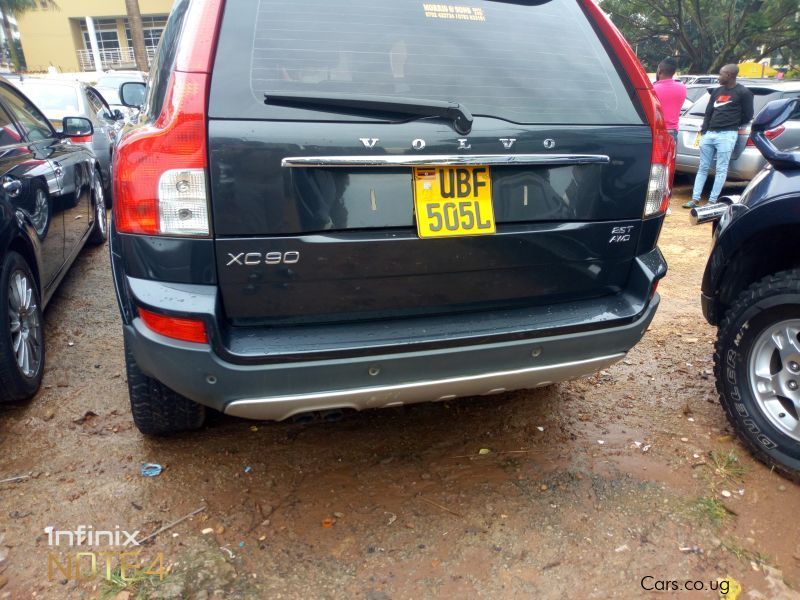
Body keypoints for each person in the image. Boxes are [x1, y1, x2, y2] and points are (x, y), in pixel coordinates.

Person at [684, 64, 754, 208]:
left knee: (721, 169)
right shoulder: (716, 91)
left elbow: (748, 115)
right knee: (703, 167)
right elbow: (708, 112)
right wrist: (704, 131)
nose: (719, 77)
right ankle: (695, 199)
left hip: (727, 135)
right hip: (710, 134)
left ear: (729, 75)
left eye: (721, 74)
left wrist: (732, 123)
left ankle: (711, 201)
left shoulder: (743, 92)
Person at [652, 57, 686, 144]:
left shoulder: (653, 89)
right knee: (670, 157)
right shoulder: (682, 87)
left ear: (660, 71)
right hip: (673, 132)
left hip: (657, 131)